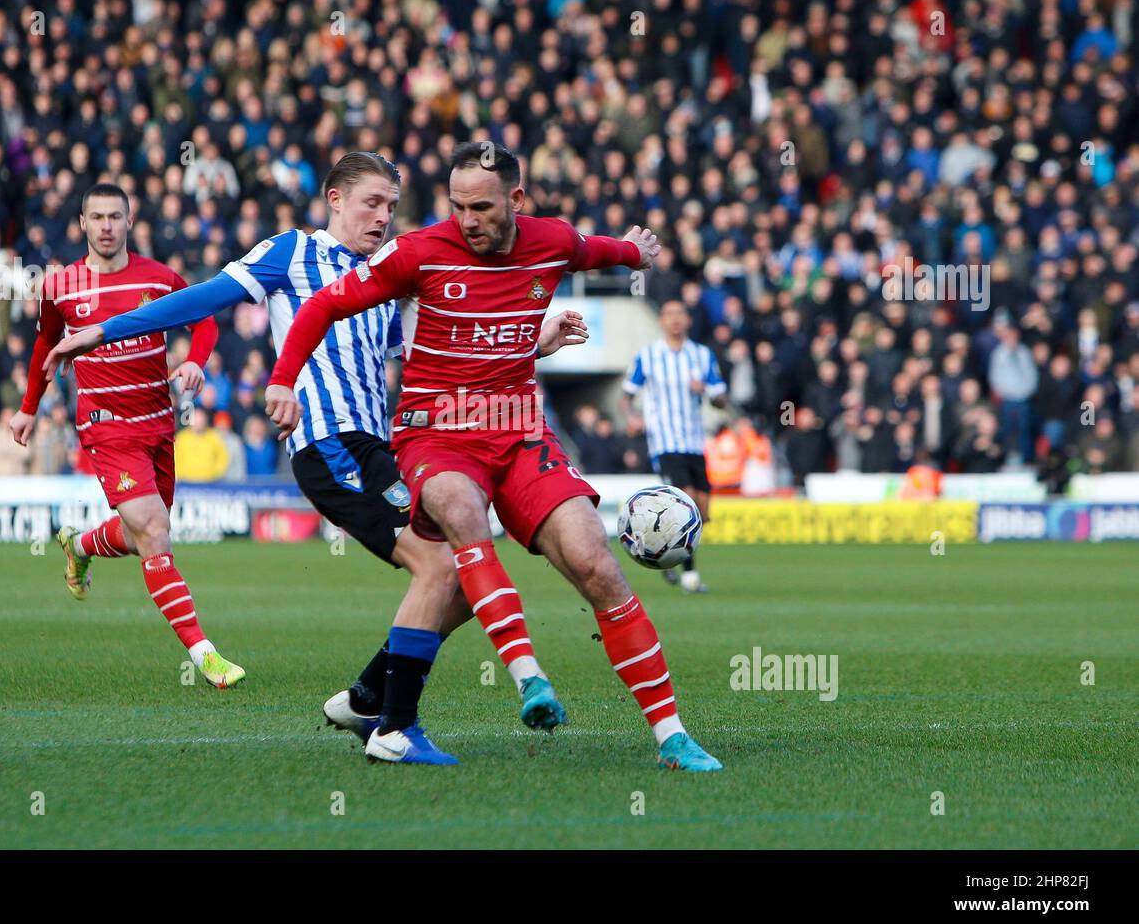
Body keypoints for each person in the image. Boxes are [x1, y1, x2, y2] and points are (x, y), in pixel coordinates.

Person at [44, 152, 589, 765]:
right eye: (371, 202)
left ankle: (366, 699)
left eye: (391, 204)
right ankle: (394, 727)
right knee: (443, 565)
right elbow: (202, 299)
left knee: (464, 576)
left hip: (380, 449)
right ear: (334, 199)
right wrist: (107, 330)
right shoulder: (290, 252)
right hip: (328, 446)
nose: (384, 216)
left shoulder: (385, 273)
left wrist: (537, 342)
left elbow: (436, 351)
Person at [264, 143, 723, 772]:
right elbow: (322, 305)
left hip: (519, 431)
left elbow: (598, 249)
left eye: (481, 207)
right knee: (461, 518)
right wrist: (285, 379)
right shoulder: (418, 252)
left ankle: (672, 736)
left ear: (517, 201)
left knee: (596, 564)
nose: (467, 219)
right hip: (436, 434)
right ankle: (529, 677)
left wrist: (635, 252)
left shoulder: (551, 242)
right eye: (457, 206)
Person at [12, 183, 243, 689]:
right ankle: (205, 655)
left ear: (130, 220)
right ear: (82, 223)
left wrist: (194, 362)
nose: (106, 226)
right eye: (97, 217)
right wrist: (28, 410)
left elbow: (205, 323)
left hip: (159, 422)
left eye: (115, 216)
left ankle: (81, 544)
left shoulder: (159, 280)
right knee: (156, 532)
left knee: (146, 535)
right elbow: (46, 346)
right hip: (106, 425)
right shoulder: (62, 285)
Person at [622, 298, 729, 593]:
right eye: (669, 314)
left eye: (680, 314)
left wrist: (706, 390)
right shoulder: (648, 356)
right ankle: (691, 577)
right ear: (662, 321)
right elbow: (627, 394)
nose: (675, 319)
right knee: (687, 502)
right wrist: (632, 418)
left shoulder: (702, 356)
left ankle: (664, 558)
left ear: (688, 320)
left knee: (703, 512)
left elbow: (721, 398)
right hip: (665, 441)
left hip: (694, 441)